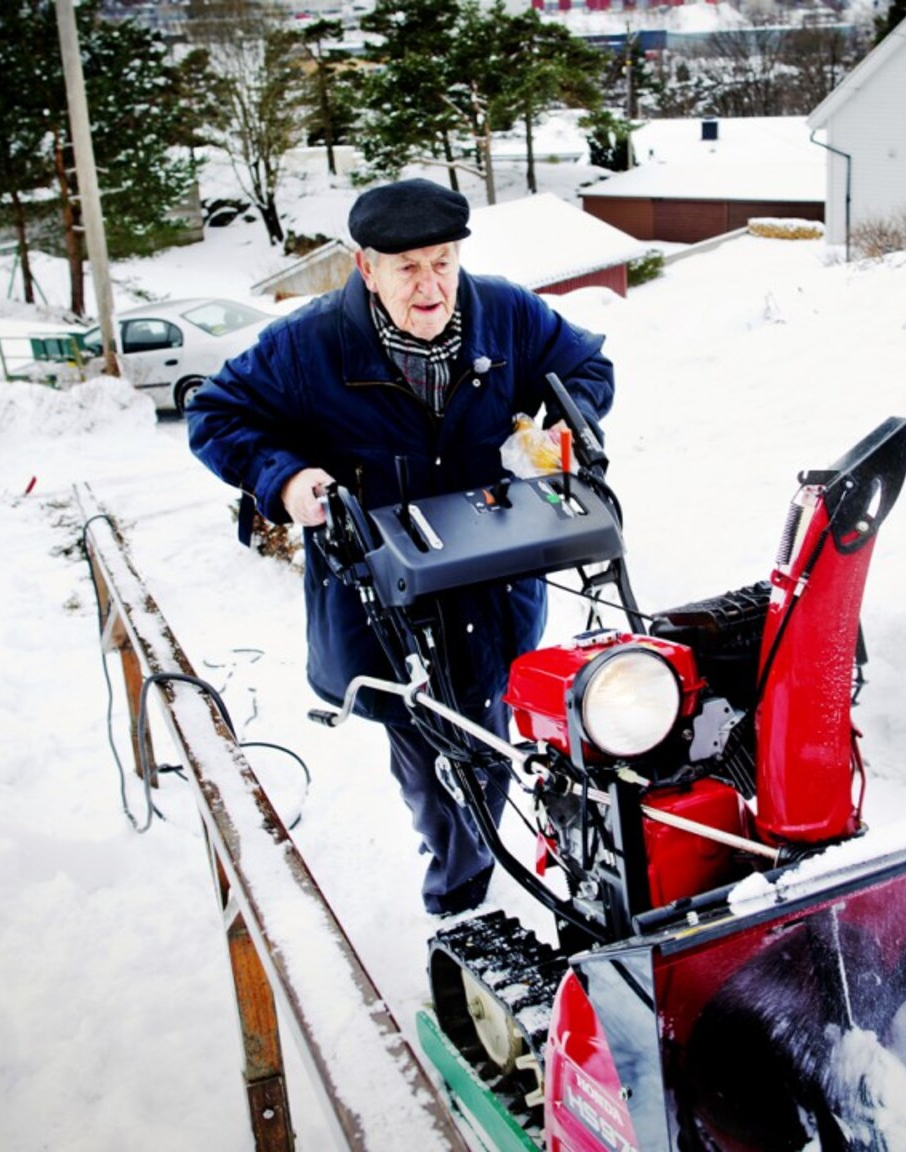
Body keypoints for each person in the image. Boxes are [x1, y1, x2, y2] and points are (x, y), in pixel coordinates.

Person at [186, 177, 616, 917]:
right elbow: (215, 414)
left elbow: (586, 367)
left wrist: (561, 429)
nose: (430, 285)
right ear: (367, 268)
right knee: (433, 764)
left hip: (495, 578)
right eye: (408, 267)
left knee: (500, 732)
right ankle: (461, 902)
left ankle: (535, 875)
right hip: (383, 597)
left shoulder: (506, 314)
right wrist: (286, 481)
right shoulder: (308, 344)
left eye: (442, 262)